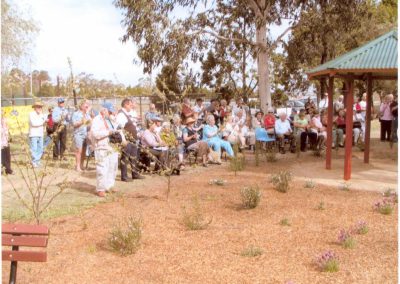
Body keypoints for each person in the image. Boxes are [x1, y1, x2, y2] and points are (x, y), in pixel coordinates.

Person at [90, 102, 119, 197]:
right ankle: (101, 189)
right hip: (101, 147)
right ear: (104, 110)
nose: (110, 113)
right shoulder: (96, 120)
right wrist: (108, 132)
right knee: (102, 168)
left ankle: (109, 186)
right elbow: (95, 134)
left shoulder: (111, 120)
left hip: (112, 146)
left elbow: (116, 129)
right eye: (109, 111)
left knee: (112, 167)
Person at [116, 98, 144, 181]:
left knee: (133, 157)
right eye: (130, 105)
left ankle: (135, 174)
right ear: (126, 105)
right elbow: (119, 128)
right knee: (125, 158)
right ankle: (124, 176)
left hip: (133, 139)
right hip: (127, 140)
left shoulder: (126, 114)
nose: (131, 107)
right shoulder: (121, 114)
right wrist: (123, 139)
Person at [71, 100, 91, 172]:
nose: (87, 107)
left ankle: (82, 165)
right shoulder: (76, 114)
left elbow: (89, 124)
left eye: (87, 106)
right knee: (79, 151)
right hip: (78, 134)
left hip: (85, 134)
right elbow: (74, 124)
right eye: (86, 105)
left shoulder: (87, 114)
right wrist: (81, 122)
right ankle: (77, 166)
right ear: (81, 106)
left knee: (84, 151)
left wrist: (90, 123)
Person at [29, 101, 46, 167]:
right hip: (33, 134)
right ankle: (34, 162)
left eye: (40, 107)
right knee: (34, 148)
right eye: (38, 107)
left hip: (40, 134)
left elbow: (44, 122)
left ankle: (38, 160)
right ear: (34, 107)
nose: (39, 108)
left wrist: (42, 122)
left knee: (40, 148)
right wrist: (42, 122)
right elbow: (34, 123)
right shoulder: (31, 114)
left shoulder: (42, 114)